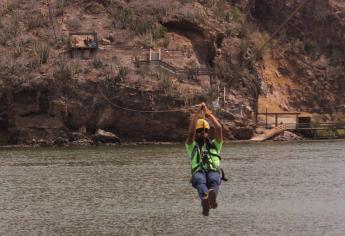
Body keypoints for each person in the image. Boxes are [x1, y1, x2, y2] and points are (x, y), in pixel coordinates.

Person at [185, 103, 224, 216]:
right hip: (199, 172)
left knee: (214, 179)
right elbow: (191, 131)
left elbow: (219, 128)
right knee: (199, 180)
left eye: (205, 131)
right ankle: (205, 200)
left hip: (212, 171)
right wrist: (197, 113)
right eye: (200, 131)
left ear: (208, 132)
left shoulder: (215, 145)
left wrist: (209, 114)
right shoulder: (191, 146)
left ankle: (210, 199)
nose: (203, 133)